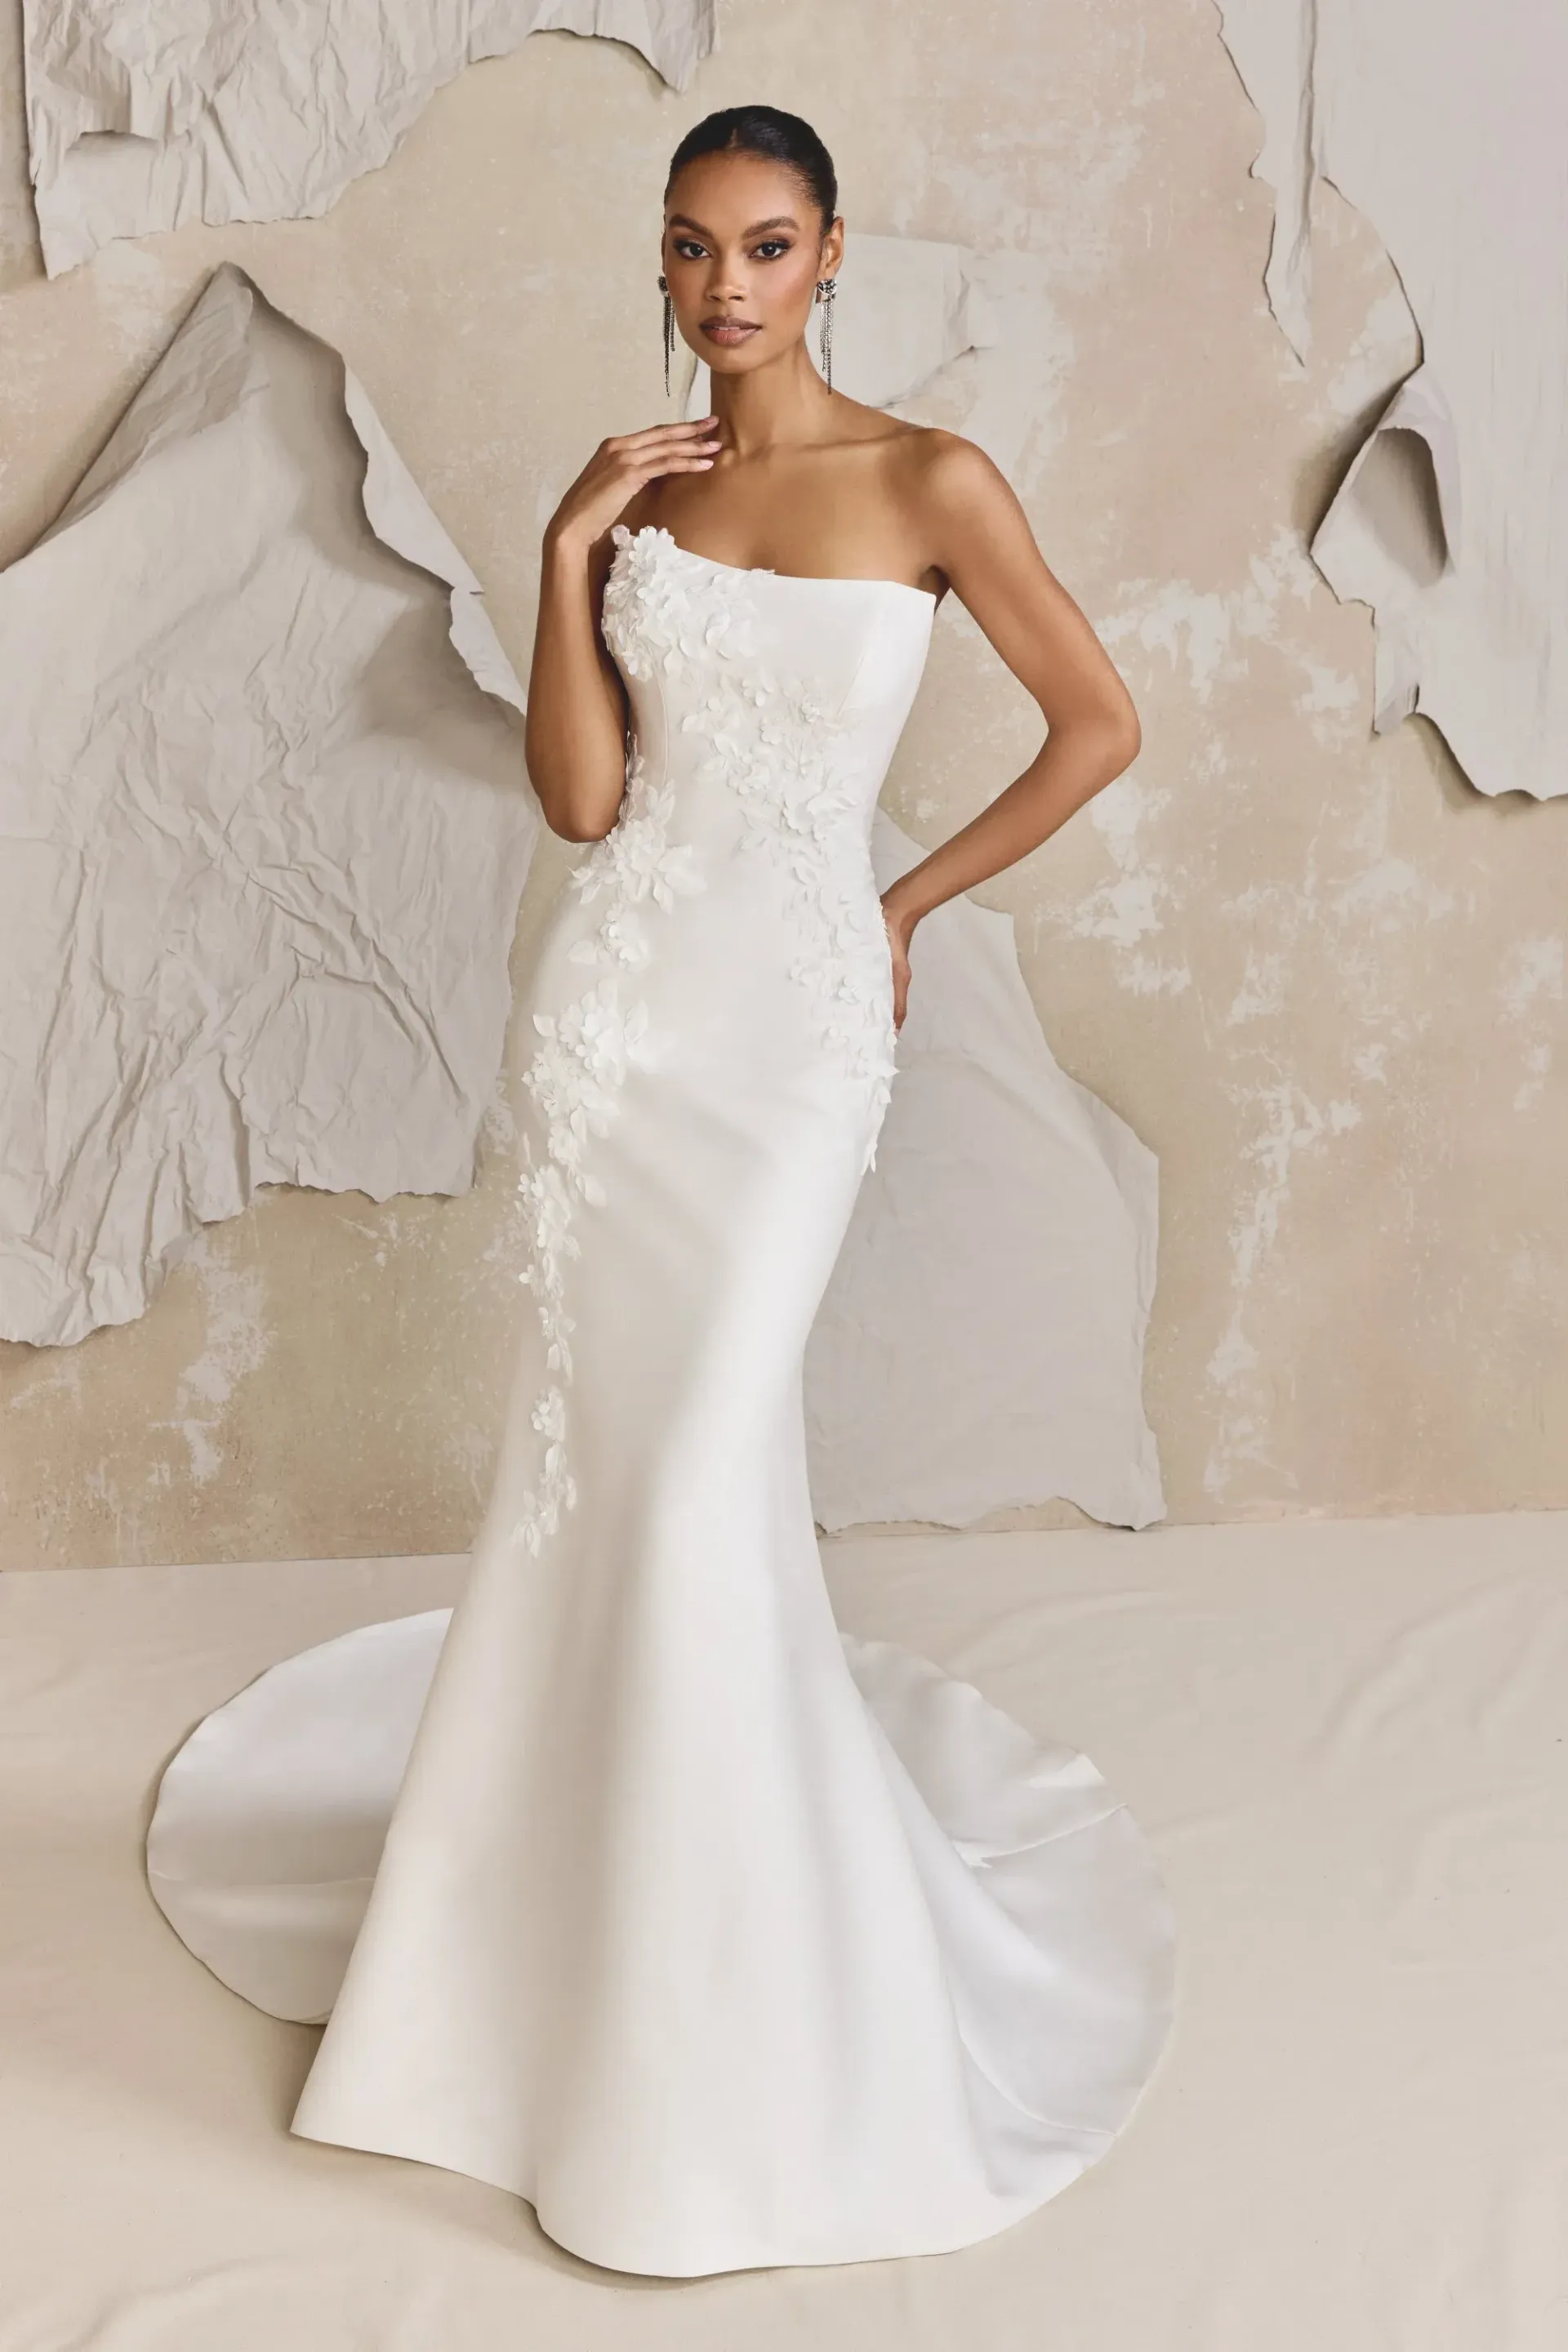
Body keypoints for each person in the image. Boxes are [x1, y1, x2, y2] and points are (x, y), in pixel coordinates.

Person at [152, 105, 1176, 2277]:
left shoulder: (931, 482)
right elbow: (586, 804)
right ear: (664, 265)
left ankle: (723, 2018)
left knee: (704, 1457)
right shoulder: (646, 497)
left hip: (792, 1029)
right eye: (694, 250)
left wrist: (906, 905)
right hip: (620, 1021)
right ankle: (555, 1961)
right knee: (600, 1465)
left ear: (831, 262)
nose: (728, 288)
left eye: (770, 247)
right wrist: (561, 549)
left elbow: (1096, 724)